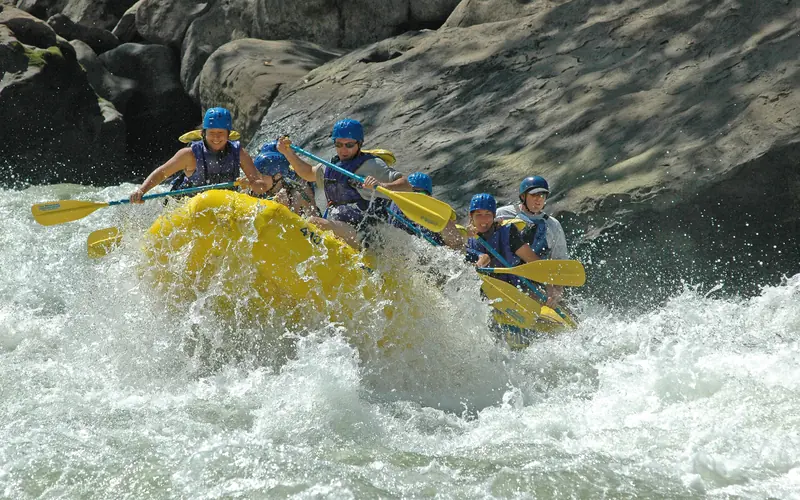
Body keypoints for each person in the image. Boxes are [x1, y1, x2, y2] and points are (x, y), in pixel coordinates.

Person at [276, 118, 412, 248]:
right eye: (339, 144)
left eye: (349, 145)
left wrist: (382, 186)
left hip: (367, 233)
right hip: (341, 226)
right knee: (305, 221)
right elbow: (307, 173)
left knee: (314, 223)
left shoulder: (372, 165)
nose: (343, 150)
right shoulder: (332, 166)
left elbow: (406, 185)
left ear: (359, 144)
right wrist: (288, 153)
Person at [129, 107, 272, 203]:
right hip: (187, 205)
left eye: (221, 133)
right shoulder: (189, 154)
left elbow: (259, 186)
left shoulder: (239, 152)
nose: (216, 137)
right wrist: (141, 190)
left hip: (222, 205)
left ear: (228, 134)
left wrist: (251, 184)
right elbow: (161, 173)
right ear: (203, 134)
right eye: (211, 133)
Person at [495, 176, 568, 306]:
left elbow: (559, 262)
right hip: (503, 275)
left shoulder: (553, 225)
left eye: (542, 195)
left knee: (564, 309)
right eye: (534, 195)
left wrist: (557, 292)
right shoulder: (502, 214)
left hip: (535, 280)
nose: (539, 199)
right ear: (523, 197)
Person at [465, 193, 541, 289]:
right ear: (471, 216)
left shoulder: (508, 233)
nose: (483, 219)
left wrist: (551, 289)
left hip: (520, 288)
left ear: (494, 215)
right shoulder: (468, 240)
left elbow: (536, 263)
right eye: (479, 214)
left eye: (488, 214)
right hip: (491, 293)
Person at [386, 172, 464, 250]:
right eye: (412, 194)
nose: (415, 198)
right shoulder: (396, 207)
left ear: (429, 198)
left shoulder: (437, 214)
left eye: (421, 195)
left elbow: (457, 245)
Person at [253, 141, 319, 217]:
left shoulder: (299, 192)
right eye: (256, 174)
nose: (257, 179)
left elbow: (315, 221)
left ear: (277, 176)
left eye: (262, 175)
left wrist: (285, 209)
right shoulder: (256, 190)